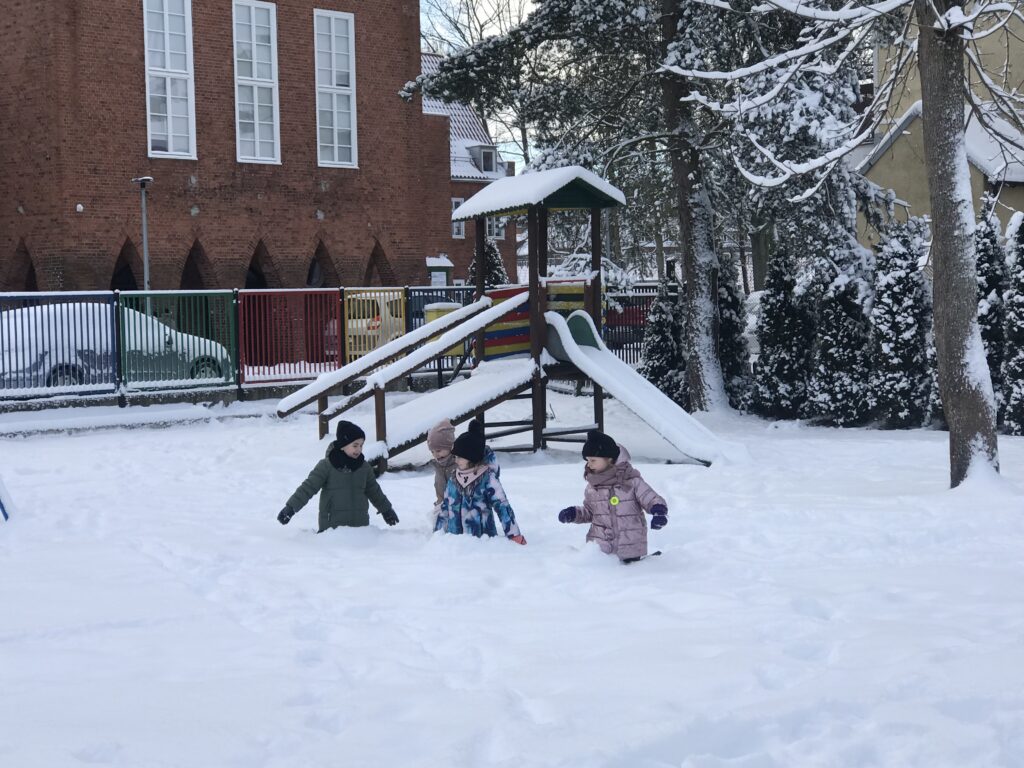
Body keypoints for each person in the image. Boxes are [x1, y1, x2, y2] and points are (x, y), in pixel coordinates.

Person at [557, 429, 667, 562]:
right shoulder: (592, 486)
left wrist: (659, 511)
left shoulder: (631, 481)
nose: (589, 465)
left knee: (630, 579)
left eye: (593, 460)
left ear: (609, 459)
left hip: (630, 548)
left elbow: (651, 498)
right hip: (601, 550)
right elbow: (591, 512)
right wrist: (574, 513)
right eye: (588, 461)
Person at [278, 420, 399, 533]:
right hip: (332, 530)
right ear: (343, 445)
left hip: (360, 531)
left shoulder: (364, 467)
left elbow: (375, 491)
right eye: (355, 445)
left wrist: (386, 510)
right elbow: (308, 488)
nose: (359, 449)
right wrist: (290, 508)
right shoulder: (326, 466)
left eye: (361, 445)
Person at [435, 420, 526, 544]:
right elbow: (445, 507)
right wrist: (437, 534)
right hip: (455, 543)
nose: (456, 460)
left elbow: (502, 506)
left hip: (482, 543)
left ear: (471, 456)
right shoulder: (454, 479)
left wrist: (514, 535)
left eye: (460, 457)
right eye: (455, 456)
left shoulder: (487, 479)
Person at [427, 419, 457, 507]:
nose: (435, 455)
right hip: (444, 508)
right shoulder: (439, 466)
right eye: (432, 452)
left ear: (450, 446)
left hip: (458, 511)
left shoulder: (460, 464)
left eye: (438, 450)